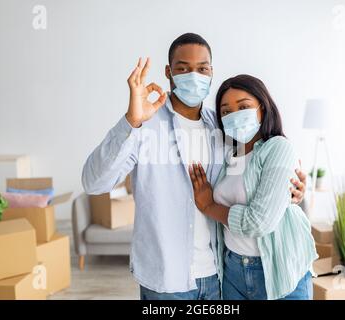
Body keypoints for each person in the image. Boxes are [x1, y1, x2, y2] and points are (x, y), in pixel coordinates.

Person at [82, 33, 307, 300]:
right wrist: (131, 121)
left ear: (211, 72)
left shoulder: (223, 127)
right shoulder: (145, 126)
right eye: (183, 68)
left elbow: (252, 178)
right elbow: (94, 182)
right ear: (169, 72)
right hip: (166, 281)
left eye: (202, 69)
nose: (194, 76)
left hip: (219, 276)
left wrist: (291, 192)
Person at [189, 74, 318, 300]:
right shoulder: (227, 156)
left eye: (244, 107)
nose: (234, 116)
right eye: (226, 111)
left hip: (279, 269)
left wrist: (209, 206)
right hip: (232, 270)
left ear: (263, 107)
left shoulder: (278, 148)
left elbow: (259, 222)